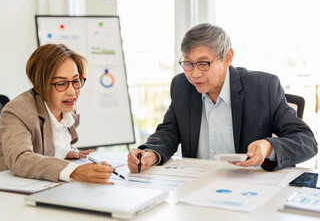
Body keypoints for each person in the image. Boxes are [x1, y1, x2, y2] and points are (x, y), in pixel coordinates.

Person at [128, 23, 318, 173]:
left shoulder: (263, 87)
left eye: (203, 63)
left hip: (250, 190)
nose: (194, 74)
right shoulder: (182, 86)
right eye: (187, 63)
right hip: (196, 187)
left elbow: (306, 141)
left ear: (227, 58)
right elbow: (168, 132)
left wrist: (269, 146)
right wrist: (150, 154)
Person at [0, 44, 114, 184]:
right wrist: (73, 171)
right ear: (39, 86)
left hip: (28, 186)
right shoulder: (18, 111)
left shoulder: (66, 107)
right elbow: (20, 159)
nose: (72, 92)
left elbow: (47, 143)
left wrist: (65, 151)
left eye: (76, 81)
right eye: (61, 83)